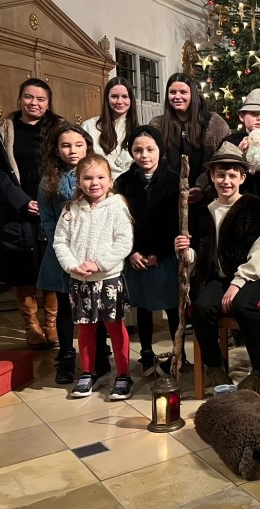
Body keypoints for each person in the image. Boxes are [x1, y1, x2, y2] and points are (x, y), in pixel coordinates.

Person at [174, 143, 260, 394]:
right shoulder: (203, 212)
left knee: (243, 306)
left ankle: (258, 370)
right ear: (212, 176)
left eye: (232, 175)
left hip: (251, 275)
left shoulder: (256, 209)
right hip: (216, 276)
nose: (226, 181)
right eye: (220, 174)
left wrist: (238, 282)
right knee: (202, 307)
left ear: (242, 177)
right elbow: (198, 256)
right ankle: (215, 367)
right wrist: (184, 251)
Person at [0, 78, 63, 350]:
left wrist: (51, 199)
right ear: (19, 99)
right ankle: (32, 326)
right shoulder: (0, 132)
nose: (34, 103)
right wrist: (22, 201)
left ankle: (51, 323)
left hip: (51, 209)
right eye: (29, 97)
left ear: (48, 103)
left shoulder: (59, 129)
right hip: (16, 212)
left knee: (52, 266)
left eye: (41, 99)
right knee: (22, 272)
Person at [52, 154, 134, 399]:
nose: (94, 183)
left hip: (108, 278)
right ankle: (88, 373)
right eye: (87, 178)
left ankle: (123, 375)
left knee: (115, 328)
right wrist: (72, 265)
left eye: (100, 177)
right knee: (85, 329)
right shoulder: (70, 209)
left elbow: (124, 242)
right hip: (80, 279)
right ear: (78, 181)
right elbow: (60, 241)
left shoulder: (117, 206)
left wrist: (98, 264)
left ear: (110, 181)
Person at [115, 126, 184, 377]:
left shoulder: (175, 179)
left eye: (150, 149)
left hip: (165, 255)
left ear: (160, 150)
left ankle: (179, 353)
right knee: (142, 307)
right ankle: (145, 353)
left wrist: (161, 251)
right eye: (138, 150)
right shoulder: (122, 182)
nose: (144, 155)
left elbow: (178, 221)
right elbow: (119, 222)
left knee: (172, 306)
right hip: (136, 256)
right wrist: (131, 251)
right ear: (131, 152)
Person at [38, 124, 94, 384]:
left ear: (87, 146)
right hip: (61, 250)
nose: (73, 151)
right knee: (63, 307)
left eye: (78, 145)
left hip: (92, 250)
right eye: (66, 145)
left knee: (93, 305)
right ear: (57, 149)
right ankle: (66, 358)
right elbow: (47, 219)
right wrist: (62, 247)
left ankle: (98, 356)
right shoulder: (50, 180)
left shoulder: (96, 173)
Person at [149, 73, 230, 204]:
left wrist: (202, 188)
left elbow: (221, 162)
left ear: (192, 94)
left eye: (183, 92)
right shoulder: (158, 125)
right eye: (172, 92)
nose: (177, 97)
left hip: (205, 199)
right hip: (167, 199)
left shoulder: (215, 125)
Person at [81, 76, 137, 177]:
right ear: (107, 98)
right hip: (99, 185)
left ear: (131, 100)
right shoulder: (89, 126)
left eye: (124, 96)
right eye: (114, 96)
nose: (120, 101)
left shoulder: (138, 131)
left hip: (129, 186)